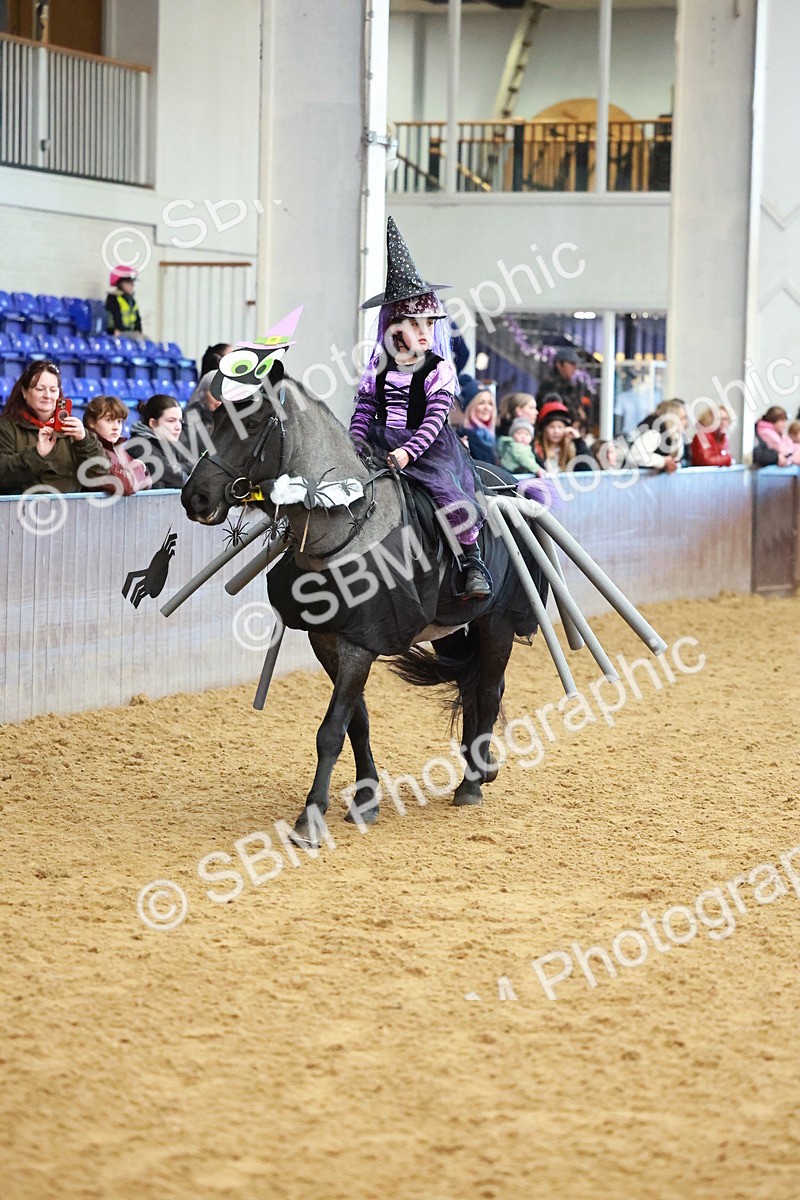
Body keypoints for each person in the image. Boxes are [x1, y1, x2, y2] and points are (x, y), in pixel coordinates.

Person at [350, 216, 491, 599]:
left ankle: (471, 560)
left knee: (449, 496)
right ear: (395, 327)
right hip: (381, 444)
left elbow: (434, 419)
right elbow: (364, 410)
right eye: (416, 323)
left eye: (430, 322)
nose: (426, 331)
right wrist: (354, 445)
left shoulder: (438, 368)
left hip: (427, 449)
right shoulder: (377, 366)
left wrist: (407, 453)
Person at [0, 360, 104, 494]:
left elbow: (100, 473)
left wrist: (84, 441)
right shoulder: (6, 427)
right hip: (23, 511)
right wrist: (36, 454)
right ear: (24, 392)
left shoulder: (72, 429)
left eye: (53, 390)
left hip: (70, 510)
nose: (47, 396)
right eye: (39, 389)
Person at [82, 395, 152, 496]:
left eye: (119, 421)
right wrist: (139, 465)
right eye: (109, 420)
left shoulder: (118, 448)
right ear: (91, 422)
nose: (116, 427)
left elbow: (148, 482)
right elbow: (125, 486)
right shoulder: (89, 450)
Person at [127, 394, 188, 489]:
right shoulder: (138, 445)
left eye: (180, 421)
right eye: (171, 421)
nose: (178, 427)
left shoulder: (170, 442)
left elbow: (191, 467)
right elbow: (177, 477)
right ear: (153, 423)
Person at [536, 347, 595, 429]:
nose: (575, 367)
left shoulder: (572, 385)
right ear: (559, 364)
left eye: (575, 364)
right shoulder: (551, 385)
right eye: (571, 363)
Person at [627, 398, 688, 473]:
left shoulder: (675, 436)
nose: (685, 423)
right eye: (682, 418)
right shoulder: (655, 433)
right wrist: (662, 461)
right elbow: (635, 456)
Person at [534, 398, 592, 473]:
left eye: (560, 427)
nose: (556, 431)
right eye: (552, 427)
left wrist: (578, 441)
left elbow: (587, 469)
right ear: (544, 429)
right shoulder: (537, 449)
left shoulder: (571, 448)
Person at [460, 388, 498, 465]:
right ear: (470, 407)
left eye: (490, 404)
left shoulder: (492, 437)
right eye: (481, 403)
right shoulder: (465, 435)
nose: (487, 408)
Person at [105, 264, 143, 337]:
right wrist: (116, 329)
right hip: (118, 333)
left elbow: (137, 318)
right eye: (128, 282)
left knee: (146, 342)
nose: (132, 285)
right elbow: (115, 316)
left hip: (130, 332)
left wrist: (139, 330)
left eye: (132, 283)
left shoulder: (131, 300)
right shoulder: (113, 298)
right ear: (120, 284)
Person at [182, 370, 221, 439]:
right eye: (213, 393)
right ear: (203, 392)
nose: (219, 399)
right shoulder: (190, 414)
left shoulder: (227, 414)